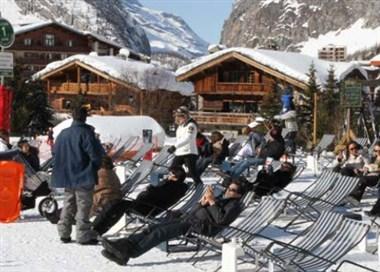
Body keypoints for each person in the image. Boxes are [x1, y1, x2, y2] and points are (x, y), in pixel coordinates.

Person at [100, 179, 247, 266]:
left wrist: (212, 201)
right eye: (229, 188)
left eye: (233, 190)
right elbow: (197, 210)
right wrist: (202, 203)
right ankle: (123, 245)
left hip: (200, 227)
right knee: (153, 227)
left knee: (160, 233)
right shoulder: (224, 199)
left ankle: (131, 253)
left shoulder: (235, 206)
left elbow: (221, 220)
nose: (228, 190)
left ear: (239, 194)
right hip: (189, 219)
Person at [52, 106, 105, 245]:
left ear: (73, 117)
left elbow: (55, 152)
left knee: (68, 203)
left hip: (67, 175)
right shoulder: (87, 133)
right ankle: (83, 235)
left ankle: (64, 232)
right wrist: (95, 166)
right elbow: (96, 155)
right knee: (83, 205)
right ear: (85, 117)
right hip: (83, 174)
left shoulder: (63, 133)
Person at [92, 166, 188, 235]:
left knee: (116, 204)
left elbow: (158, 194)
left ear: (176, 176)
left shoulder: (175, 187)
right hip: (145, 205)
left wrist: (150, 189)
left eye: (170, 173)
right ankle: (97, 228)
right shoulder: (172, 185)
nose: (167, 175)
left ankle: (97, 229)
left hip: (148, 208)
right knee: (115, 204)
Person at [168, 106, 202, 184]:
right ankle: (178, 183)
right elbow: (179, 139)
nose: (177, 118)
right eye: (176, 116)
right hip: (180, 152)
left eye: (179, 116)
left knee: (192, 172)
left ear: (185, 116)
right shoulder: (181, 126)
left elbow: (188, 138)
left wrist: (175, 146)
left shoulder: (191, 125)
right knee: (173, 168)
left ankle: (200, 186)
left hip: (189, 152)